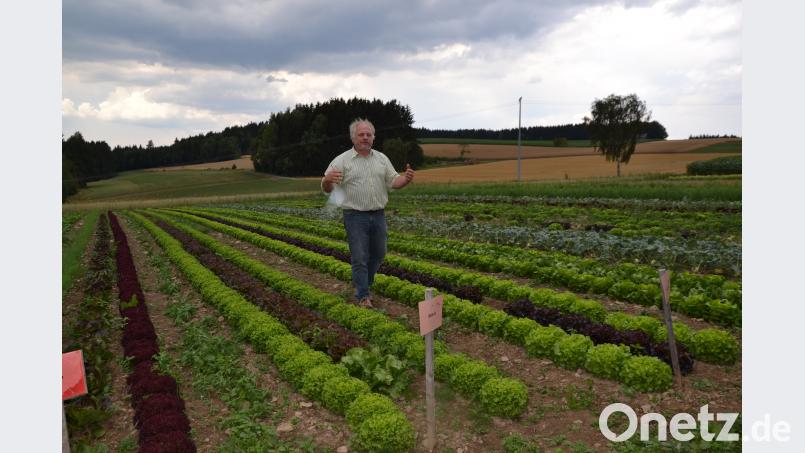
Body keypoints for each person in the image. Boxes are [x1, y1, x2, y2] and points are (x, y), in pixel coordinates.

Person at [321, 118, 415, 308]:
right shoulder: (341, 160)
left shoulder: (381, 159)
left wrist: (405, 180)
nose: (365, 137)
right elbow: (327, 188)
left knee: (379, 253)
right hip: (354, 216)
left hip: (378, 214)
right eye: (361, 134)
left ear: (373, 137)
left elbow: (393, 181)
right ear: (353, 138)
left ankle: (364, 282)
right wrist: (327, 180)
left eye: (368, 134)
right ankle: (363, 295)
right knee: (360, 256)